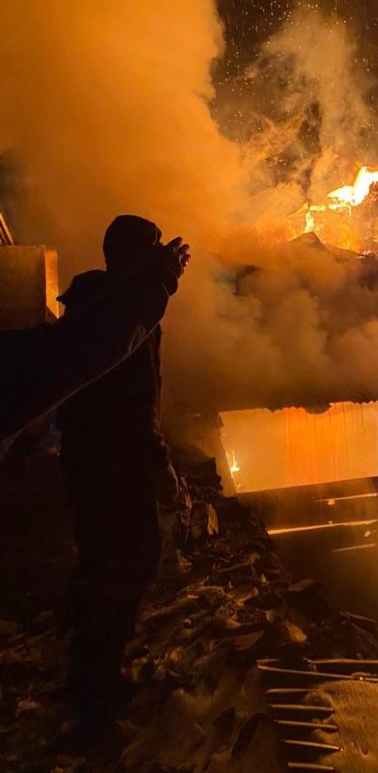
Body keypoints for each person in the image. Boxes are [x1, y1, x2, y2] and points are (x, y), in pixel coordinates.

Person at [56, 215, 186, 726]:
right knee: (132, 562)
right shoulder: (120, 317)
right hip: (114, 463)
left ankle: (88, 677)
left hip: (89, 459)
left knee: (101, 564)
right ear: (133, 256)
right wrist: (159, 466)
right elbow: (134, 406)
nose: (163, 255)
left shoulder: (98, 303)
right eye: (153, 248)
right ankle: (96, 696)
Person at [0, 233, 190, 451]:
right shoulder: (111, 313)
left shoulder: (91, 302)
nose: (159, 249)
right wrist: (159, 279)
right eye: (153, 245)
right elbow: (85, 348)